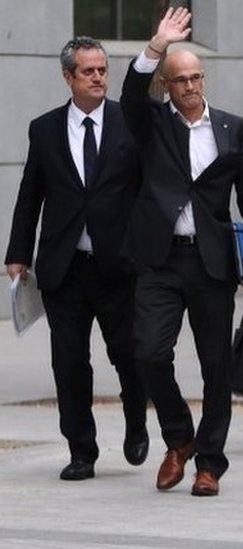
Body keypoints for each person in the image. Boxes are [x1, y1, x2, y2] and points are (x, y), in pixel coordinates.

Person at [120, 7, 243, 497]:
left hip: (211, 261)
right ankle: (179, 438)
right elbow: (129, 95)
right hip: (160, 260)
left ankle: (210, 464)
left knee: (215, 367)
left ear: (204, 80)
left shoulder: (234, 129)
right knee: (148, 353)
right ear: (166, 84)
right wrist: (156, 46)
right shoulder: (152, 124)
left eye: (195, 77)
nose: (188, 86)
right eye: (178, 79)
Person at [4, 36, 148, 481]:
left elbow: (146, 189)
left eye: (103, 69)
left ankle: (136, 426)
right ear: (68, 77)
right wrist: (17, 253)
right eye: (89, 71)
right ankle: (81, 450)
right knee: (68, 362)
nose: (99, 77)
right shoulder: (44, 129)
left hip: (118, 266)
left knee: (128, 355)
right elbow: (31, 194)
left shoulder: (130, 122)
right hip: (64, 269)